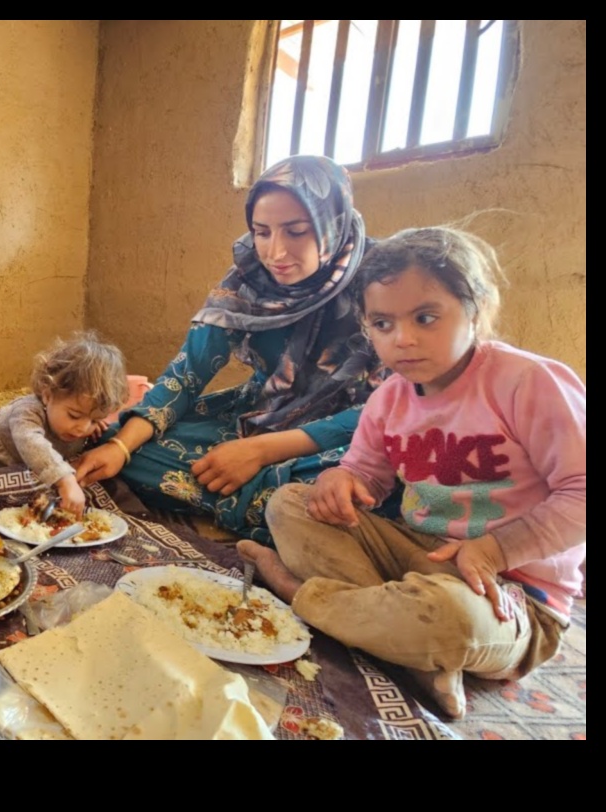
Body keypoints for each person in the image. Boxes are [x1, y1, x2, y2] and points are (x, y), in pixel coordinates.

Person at [242, 226, 586, 719]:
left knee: (450, 620)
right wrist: (339, 482)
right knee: (290, 504)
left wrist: (494, 551)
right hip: (412, 559)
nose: (403, 340)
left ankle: (302, 597)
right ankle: (410, 651)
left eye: (426, 317)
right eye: (382, 324)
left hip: (508, 595)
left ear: (476, 309)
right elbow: (366, 475)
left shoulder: (528, 383)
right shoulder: (389, 398)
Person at [75, 155, 386, 543]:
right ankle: (271, 513)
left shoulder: (383, 279)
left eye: (296, 231)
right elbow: (187, 375)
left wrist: (260, 451)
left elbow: (394, 410)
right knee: (120, 446)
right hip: (263, 413)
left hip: (347, 438)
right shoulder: (249, 276)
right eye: (262, 232)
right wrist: (121, 446)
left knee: (375, 489)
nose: (275, 253)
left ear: (331, 223)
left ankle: (275, 506)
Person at [0, 332, 128, 516]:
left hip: (30, 473)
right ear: (47, 395)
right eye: (74, 416)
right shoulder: (26, 410)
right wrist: (65, 480)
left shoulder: (84, 424)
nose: (83, 428)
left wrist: (96, 427)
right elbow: (31, 442)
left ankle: (30, 498)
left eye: (94, 420)